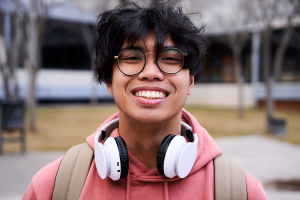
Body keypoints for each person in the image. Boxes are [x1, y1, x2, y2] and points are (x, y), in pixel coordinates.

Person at [23, 1, 268, 200]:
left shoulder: (239, 191)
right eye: (131, 57)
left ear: (191, 81)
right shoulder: (55, 186)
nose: (150, 72)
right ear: (108, 80)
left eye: (170, 58)